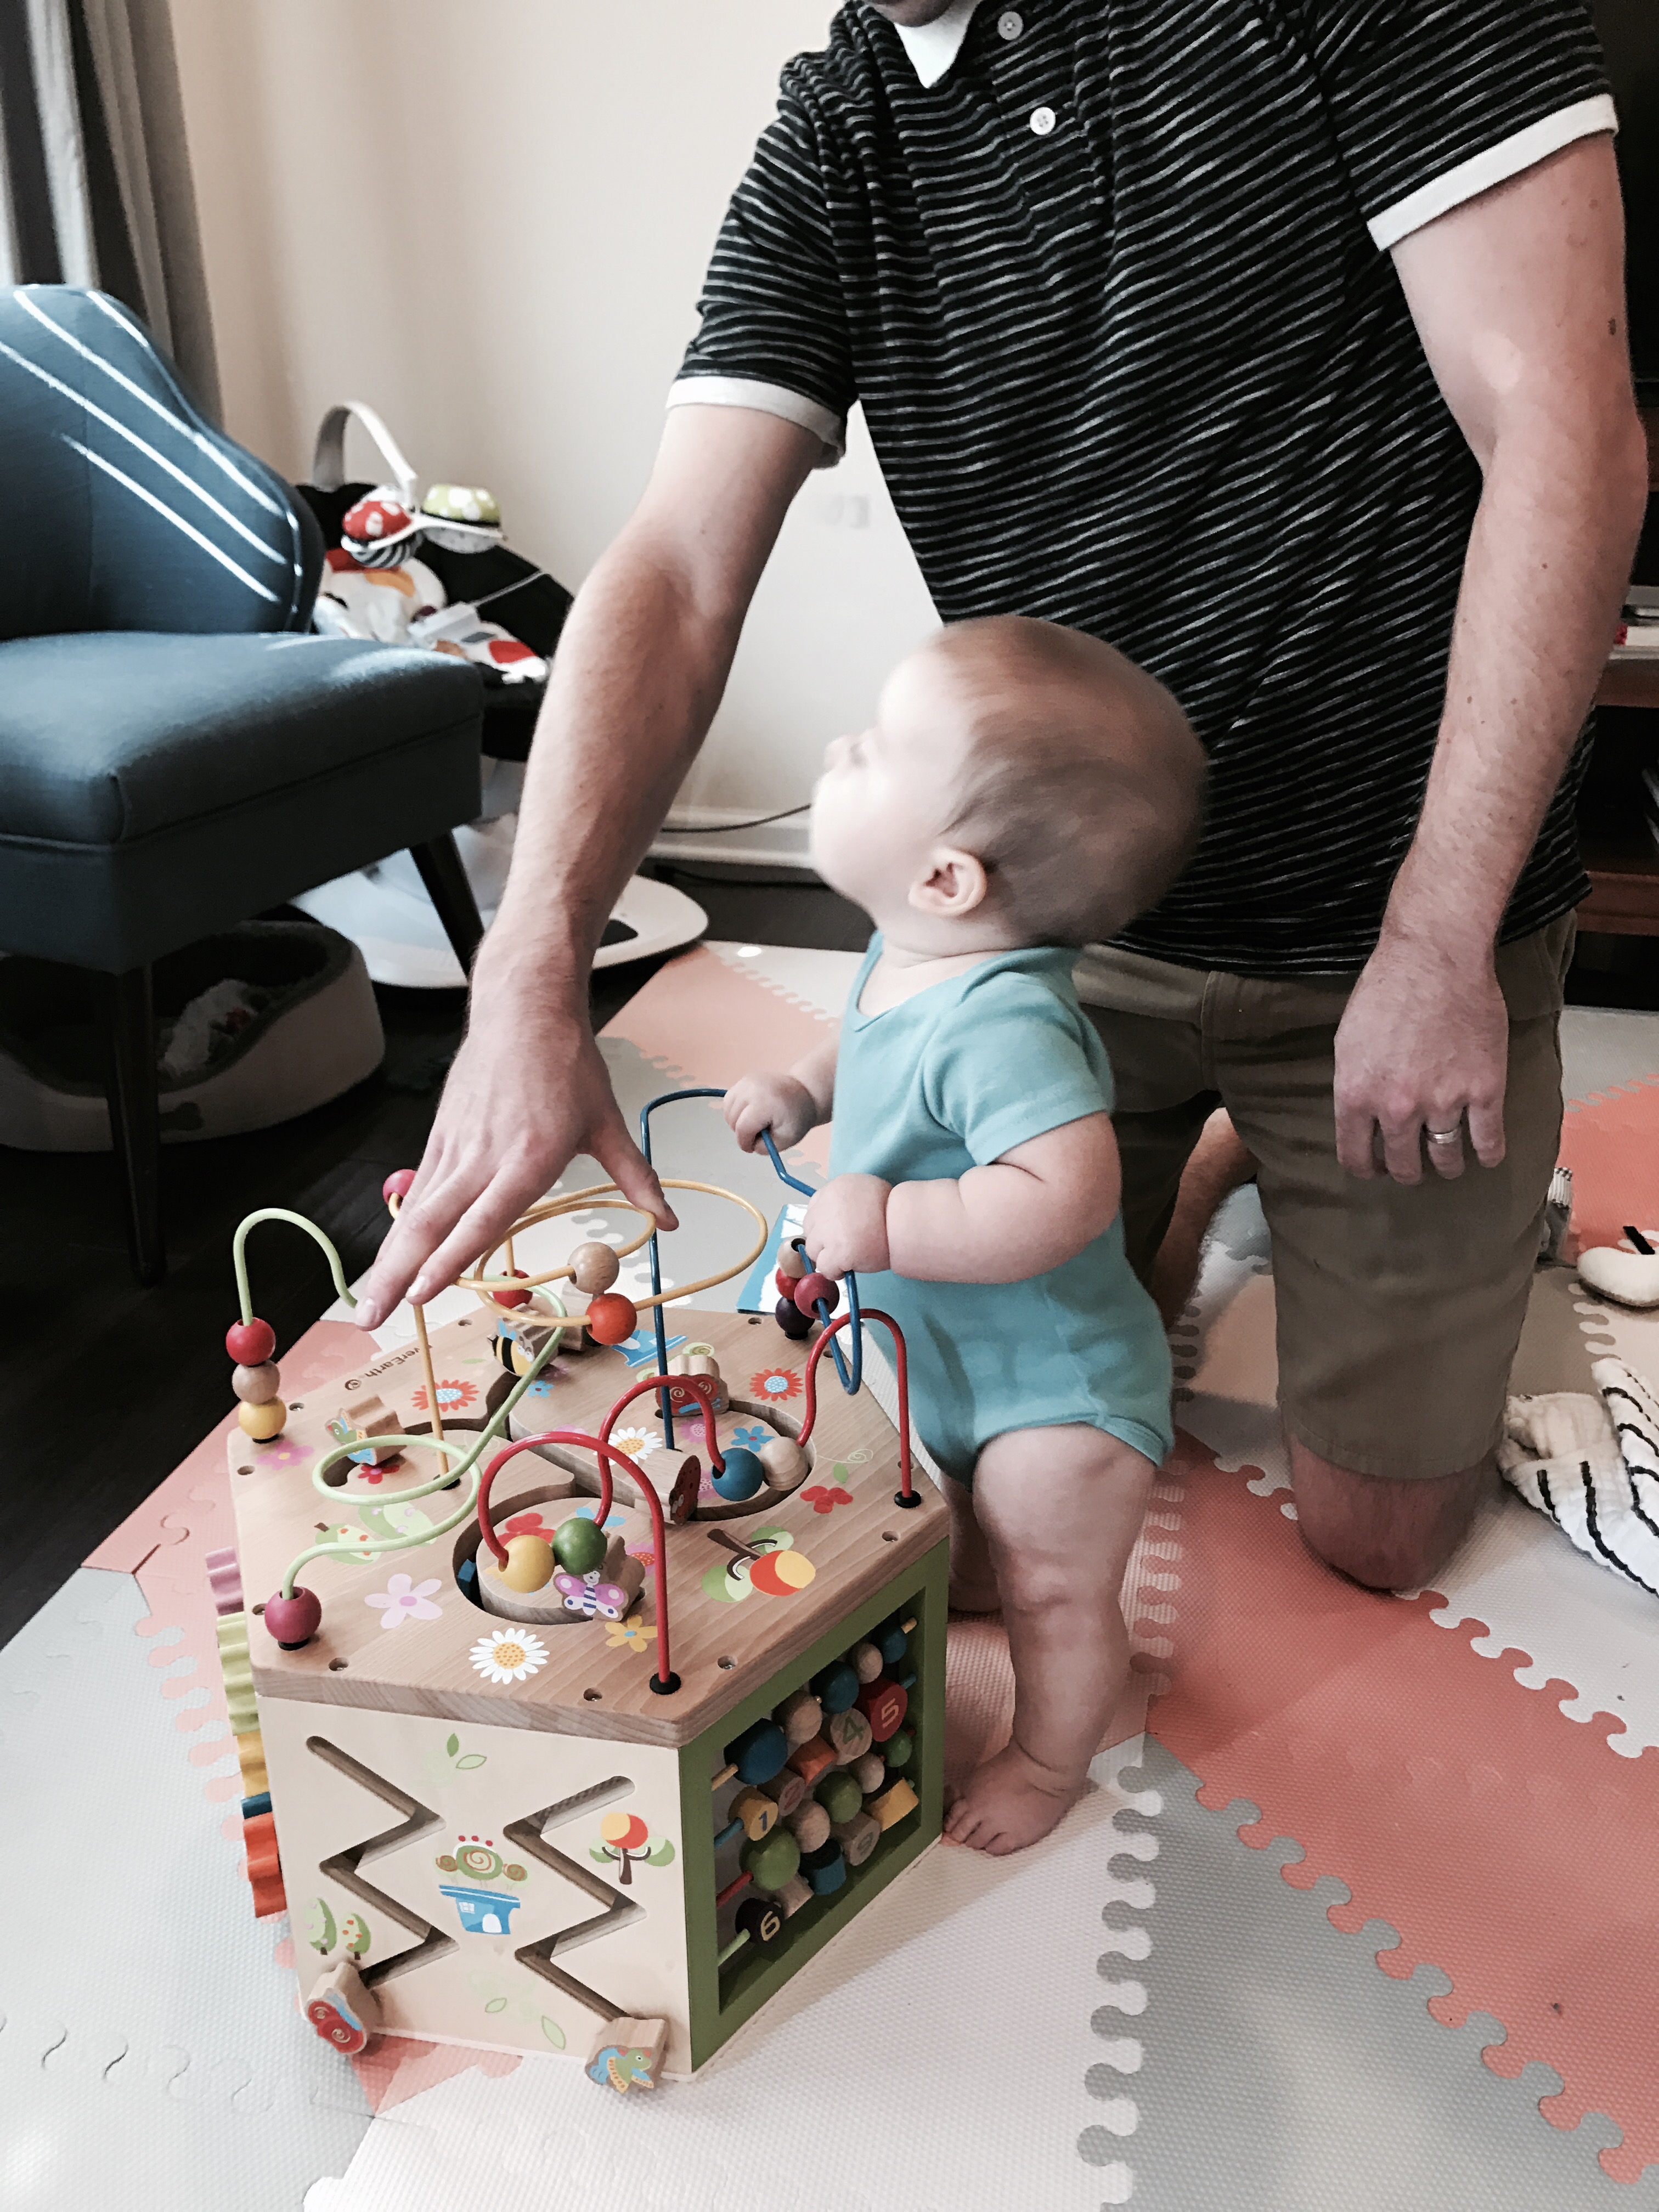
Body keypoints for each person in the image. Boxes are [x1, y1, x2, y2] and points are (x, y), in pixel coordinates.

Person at [358, 0, 1648, 1596]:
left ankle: (1247, 1142)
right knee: (957, 1448)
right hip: (1056, 932)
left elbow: (1566, 430)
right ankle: (1208, 1156)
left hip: (1394, 927)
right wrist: (531, 966)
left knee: (1374, 1541)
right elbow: (680, 565)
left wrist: (1441, 940)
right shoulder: (843, 125)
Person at [725, 616, 1206, 1852]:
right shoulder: (911, 948)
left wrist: (890, 1216)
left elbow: (1064, 1193)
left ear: (947, 878)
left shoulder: (1006, 1026)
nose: (840, 748)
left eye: (876, 748)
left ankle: (1046, 1762)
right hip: (951, 1358)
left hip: (1056, 1393)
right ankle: (984, 1568)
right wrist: (804, 1086)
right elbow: (872, 1040)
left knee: (1056, 1587)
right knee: (969, 1531)